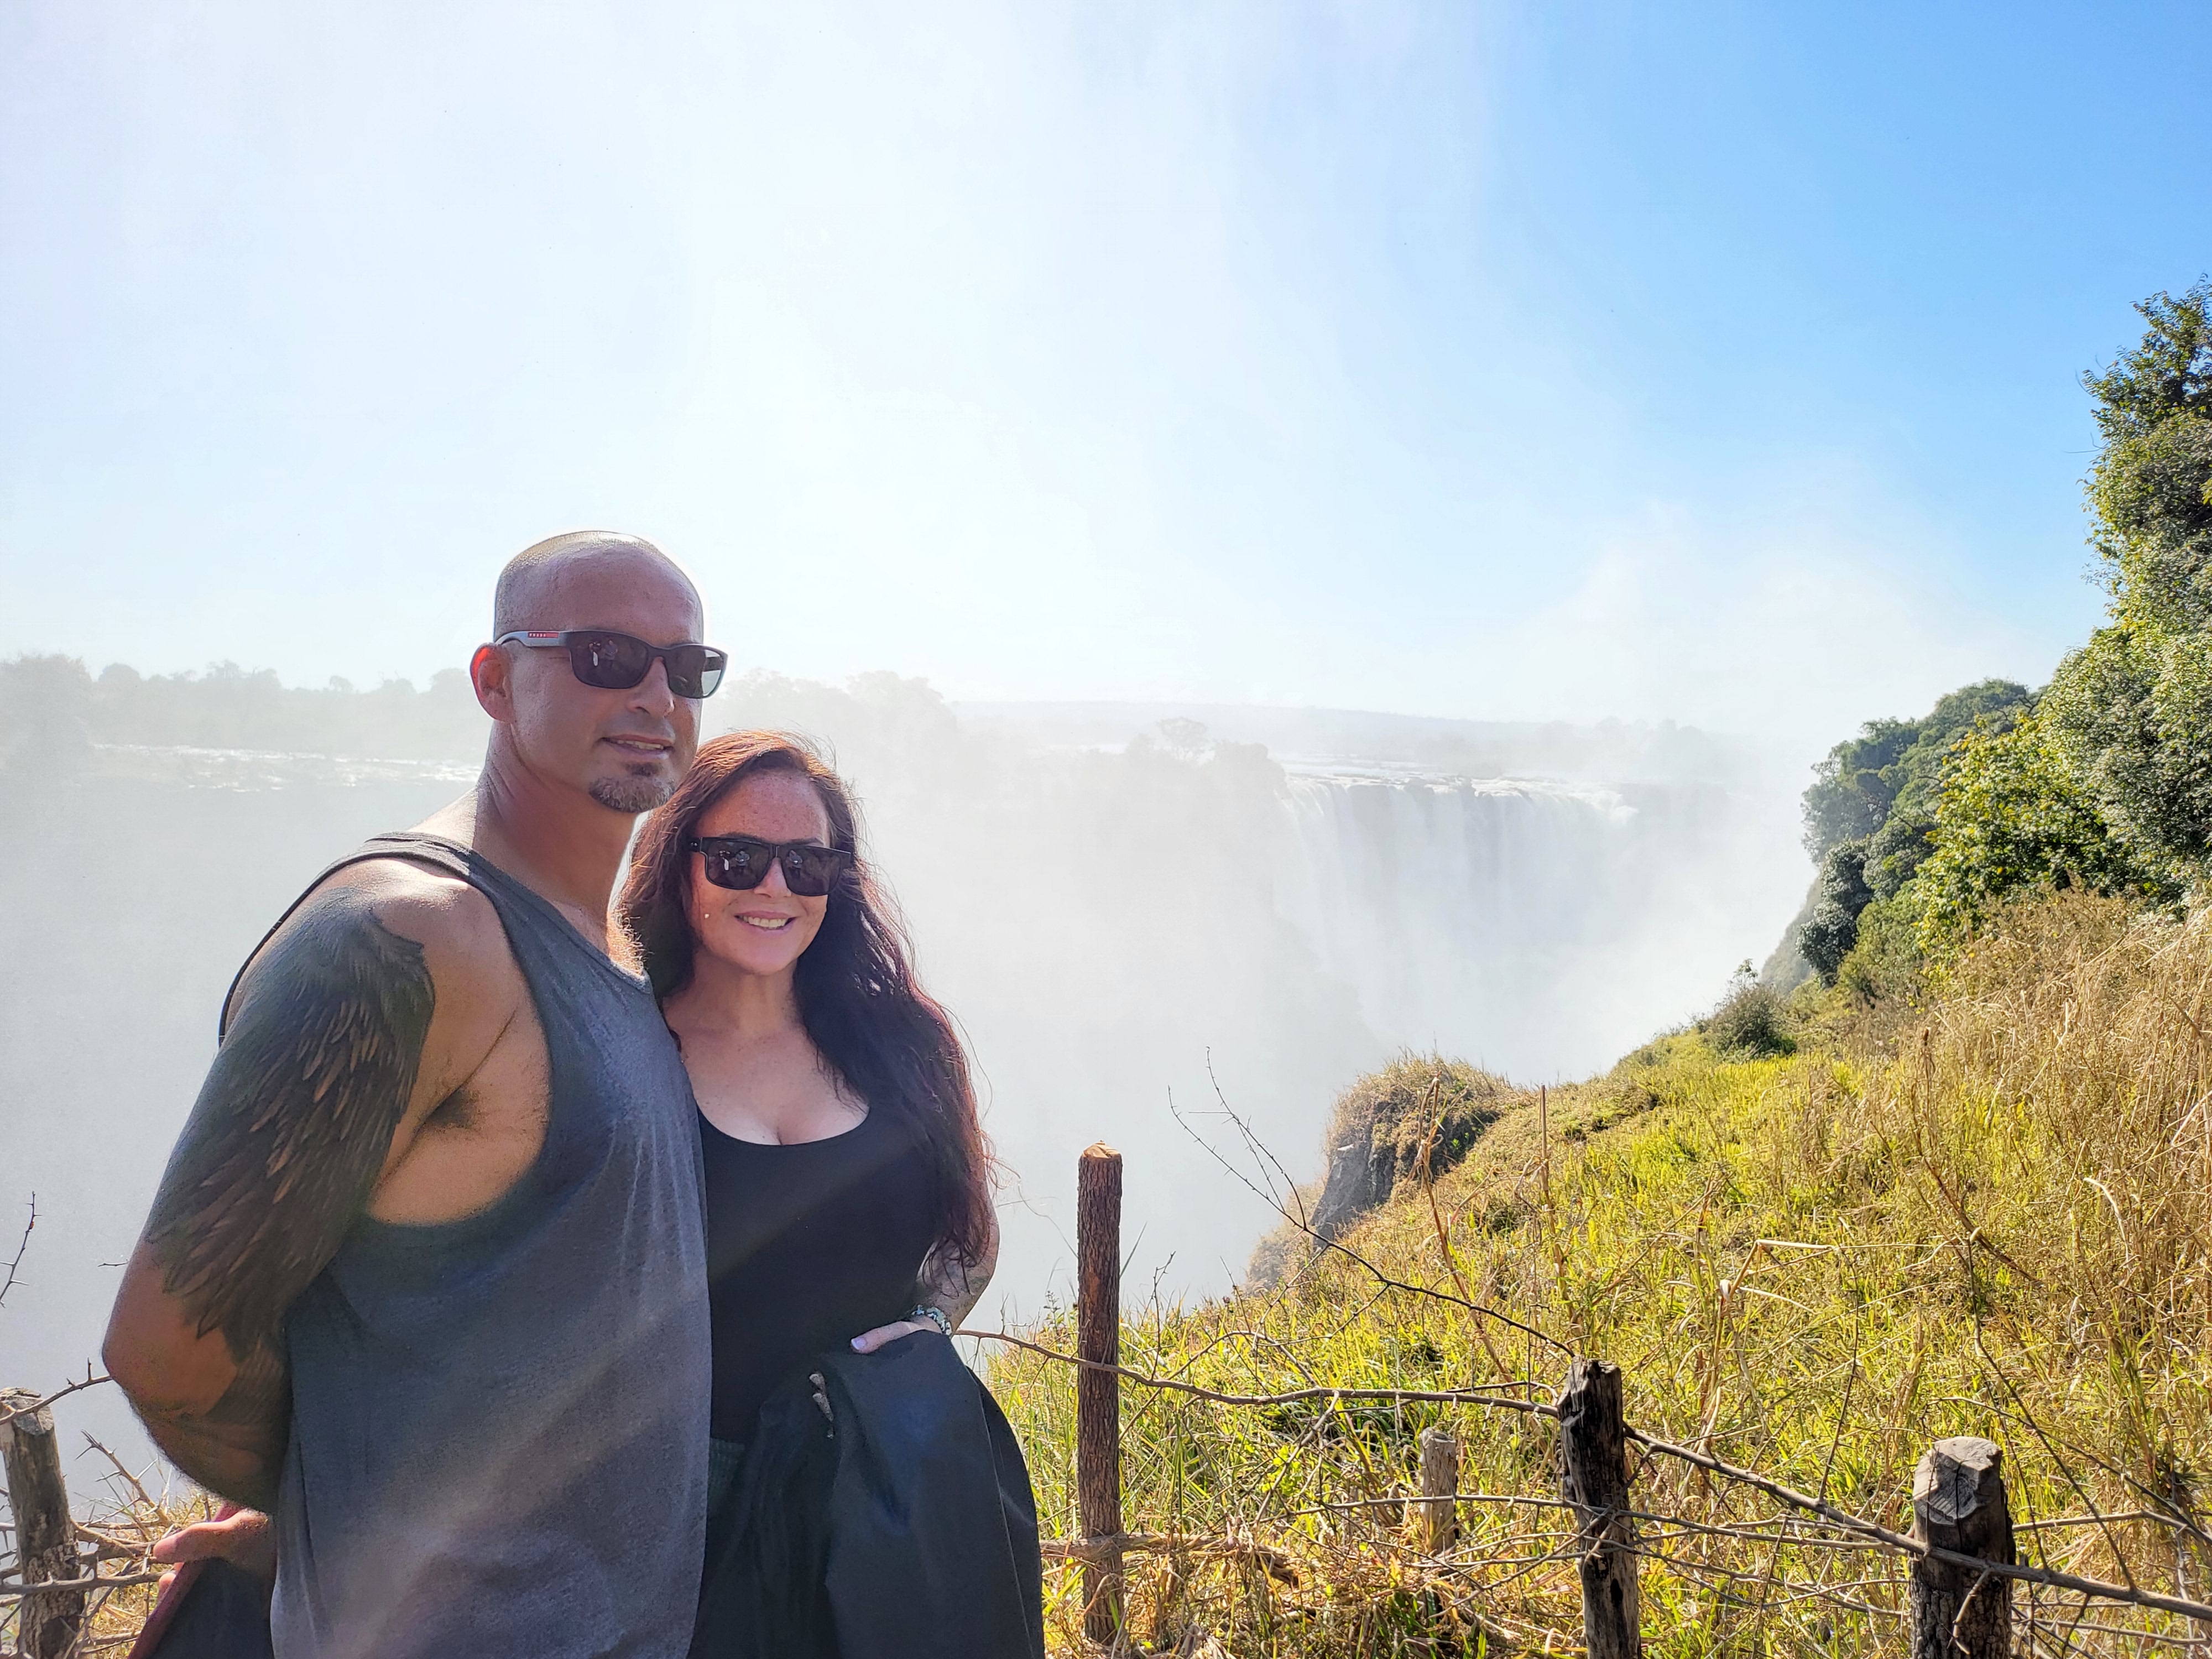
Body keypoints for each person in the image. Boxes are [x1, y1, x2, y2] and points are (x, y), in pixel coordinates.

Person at [103, 531, 728, 1659]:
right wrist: (330, 1513)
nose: (655, 696)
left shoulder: (611, 943)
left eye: (688, 669)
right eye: (605, 656)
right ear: (495, 681)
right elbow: (170, 1353)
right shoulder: (411, 940)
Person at [617, 731, 1043, 1655]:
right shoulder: (626, 1052)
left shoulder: (900, 1041)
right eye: (738, 859)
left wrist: (927, 1327)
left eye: (806, 864)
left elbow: (969, 1236)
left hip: (891, 1480)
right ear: (678, 866)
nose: (774, 887)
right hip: (693, 1510)